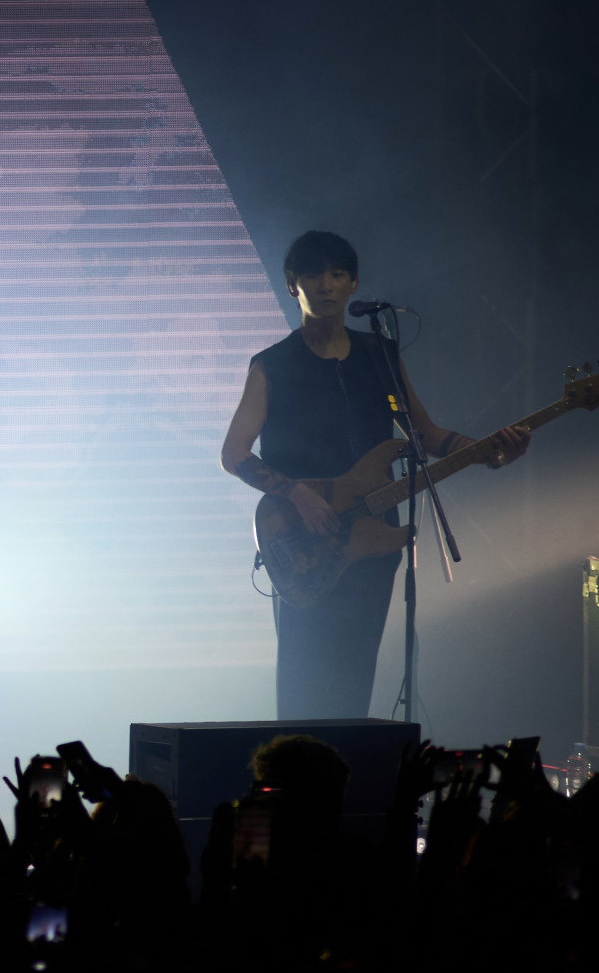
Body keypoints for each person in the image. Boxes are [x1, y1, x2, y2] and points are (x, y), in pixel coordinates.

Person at [220, 231, 530, 719]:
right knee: (303, 680)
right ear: (291, 285)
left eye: (338, 274)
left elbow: (422, 434)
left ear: (353, 283)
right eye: (313, 275)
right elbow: (235, 454)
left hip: (373, 537)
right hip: (303, 542)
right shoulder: (273, 365)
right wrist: (297, 493)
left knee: (353, 679)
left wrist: (489, 451)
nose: (326, 285)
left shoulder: (379, 354)